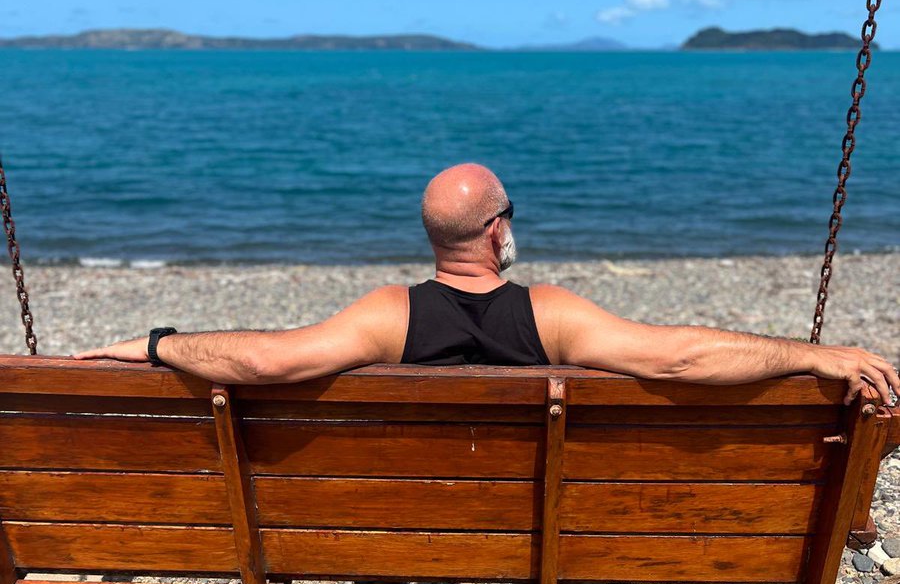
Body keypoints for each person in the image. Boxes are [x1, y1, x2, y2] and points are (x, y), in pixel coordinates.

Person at [75, 162, 900, 407]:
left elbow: (267, 362)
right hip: (540, 539)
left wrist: (154, 344)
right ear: (498, 231)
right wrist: (813, 355)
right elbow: (680, 359)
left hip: (402, 528)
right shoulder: (553, 315)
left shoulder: (386, 316)